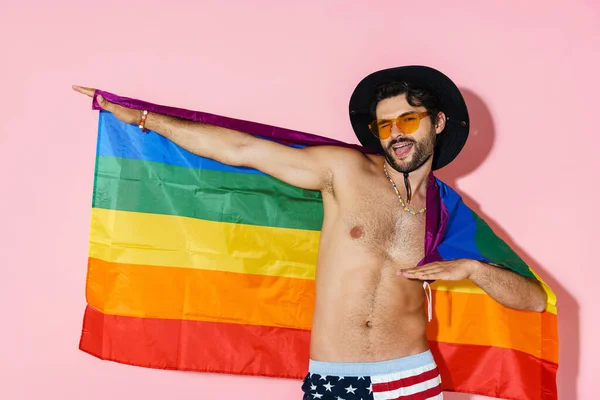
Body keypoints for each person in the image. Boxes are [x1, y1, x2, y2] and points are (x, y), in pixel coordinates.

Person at [73, 65, 547, 400]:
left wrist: (471, 267)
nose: (395, 134)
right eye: (384, 125)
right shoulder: (343, 171)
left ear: (437, 123)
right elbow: (241, 149)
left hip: (412, 378)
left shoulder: (450, 211)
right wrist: (142, 119)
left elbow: (531, 299)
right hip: (335, 381)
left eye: (408, 119)